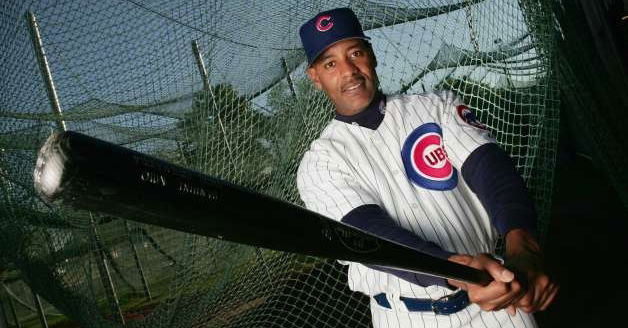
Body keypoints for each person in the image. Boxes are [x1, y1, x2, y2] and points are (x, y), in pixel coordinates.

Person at [295, 7, 558, 328]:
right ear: (315, 77)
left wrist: (523, 248)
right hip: (407, 316)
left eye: (355, 53)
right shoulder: (320, 161)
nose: (349, 71)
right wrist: (460, 271)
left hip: (498, 301)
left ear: (372, 55)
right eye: (330, 63)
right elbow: (369, 236)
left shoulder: (437, 106)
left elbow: (492, 172)